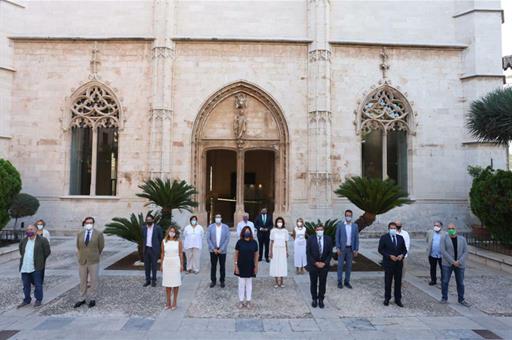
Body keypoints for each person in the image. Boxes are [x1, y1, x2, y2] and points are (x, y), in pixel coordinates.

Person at [17, 225, 51, 308]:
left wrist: (40, 260)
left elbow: (47, 252)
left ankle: (38, 299)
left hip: (36, 267)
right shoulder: (24, 240)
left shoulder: (42, 240)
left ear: (36, 230)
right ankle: (27, 300)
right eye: (28, 229)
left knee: (38, 284)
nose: (29, 231)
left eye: (31, 229)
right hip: (25, 267)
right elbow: (21, 251)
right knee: (25, 285)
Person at [74, 217, 104, 308]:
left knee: (93, 280)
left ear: (93, 223)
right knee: (83, 280)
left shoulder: (98, 234)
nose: (89, 224)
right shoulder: (80, 234)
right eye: (87, 222)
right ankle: (81, 298)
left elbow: (101, 247)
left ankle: (92, 298)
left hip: (93, 261)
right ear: (84, 223)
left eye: (91, 222)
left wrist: (94, 254)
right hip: (82, 260)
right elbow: (78, 246)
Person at [378, 222, 407, 307]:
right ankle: (387, 298)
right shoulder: (384, 238)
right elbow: (380, 250)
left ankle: (398, 299)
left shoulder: (400, 238)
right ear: (388, 229)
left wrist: (402, 255)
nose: (393, 230)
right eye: (391, 228)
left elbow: (404, 250)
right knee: (388, 281)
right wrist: (389, 256)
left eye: (394, 228)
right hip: (388, 263)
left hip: (398, 264)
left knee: (398, 282)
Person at [440, 223, 470, 306]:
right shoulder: (444, 238)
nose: (451, 230)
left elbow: (466, 251)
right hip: (447, 264)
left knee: (460, 282)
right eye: (449, 228)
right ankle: (444, 298)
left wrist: (459, 262)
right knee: (445, 281)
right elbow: (443, 251)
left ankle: (461, 299)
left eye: (452, 228)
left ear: (456, 229)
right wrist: (453, 261)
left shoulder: (462, 239)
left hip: (460, 265)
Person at [306, 224, 333, 309]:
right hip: (313, 265)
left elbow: (330, 253)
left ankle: (321, 299)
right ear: (315, 230)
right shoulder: (310, 239)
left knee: (322, 283)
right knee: (313, 283)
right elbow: (308, 253)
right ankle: (314, 299)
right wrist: (315, 263)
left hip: (324, 265)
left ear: (323, 230)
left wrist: (325, 263)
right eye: (318, 229)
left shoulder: (328, 239)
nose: (319, 231)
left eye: (321, 229)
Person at [234, 226, 259, 308]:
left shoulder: (254, 242)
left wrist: (256, 266)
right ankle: (241, 301)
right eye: (245, 231)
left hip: (250, 266)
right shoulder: (239, 242)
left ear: (250, 233)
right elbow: (236, 254)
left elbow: (256, 255)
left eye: (248, 231)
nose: (247, 233)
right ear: (243, 233)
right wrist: (236, 266)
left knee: (249, 284)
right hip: (241, 265)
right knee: (241, 284)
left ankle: (248, 301)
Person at [161, 226, 184, 310]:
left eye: (173, 231)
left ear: (175, 233)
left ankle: (174, 301)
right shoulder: (164, 241)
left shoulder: (178, 242)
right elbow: (162, 253)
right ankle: (168, 302)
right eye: (170, 231)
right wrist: (161, 264)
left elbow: (181, 253)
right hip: (167, 263)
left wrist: (181, 264)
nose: (172, 233)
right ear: (168, 232)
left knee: (175, 283)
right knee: (167, 284)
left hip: (175, 263)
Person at [335, 209, 359, 289]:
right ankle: (339, 281)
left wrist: (356, 249)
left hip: (350, 249)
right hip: (342, 249)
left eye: (349, 215)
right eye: (347, 215)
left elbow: (356, 238)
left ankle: (347, 281)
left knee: (349, 266)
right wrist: (337, 248)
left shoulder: (355, 226)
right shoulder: (340, 225)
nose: (348, 217)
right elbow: (337, 237)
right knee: (340, 266)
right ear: (345, 216)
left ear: (351, 216)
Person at [206, 214, 230, 288]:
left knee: (222, 266)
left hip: (222, 251)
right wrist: (214, 249)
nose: (218, 218)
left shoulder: (226, 227)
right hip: (213, 250)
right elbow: (208, 238)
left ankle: (222, 280)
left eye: (219, 217)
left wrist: (221, 249)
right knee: (213, 266)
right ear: (215, 218)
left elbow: (227, 239)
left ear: (221, 218)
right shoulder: (211, 227)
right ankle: (213, 281)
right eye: (216, 217)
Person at [141, 214, 163, 287]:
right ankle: (147, 280)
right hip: (146, 249)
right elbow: (143, 238)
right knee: (146, 266)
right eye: (147, 220)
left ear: (153, 220)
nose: (149, 221)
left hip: (154, 250)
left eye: (150, 219)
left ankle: (154, 280)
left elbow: (160, 239)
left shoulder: (158, 228)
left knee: (154, 266)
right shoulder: (144, 228)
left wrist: (159, 248)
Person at [269, 217, 288, 288]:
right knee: (275, 265)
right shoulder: (273, 231)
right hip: (275, 249)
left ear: (283, 223)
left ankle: (282, 282)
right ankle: (276, 282)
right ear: (276, 223)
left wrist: (287, 251)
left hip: (282, 250)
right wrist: (270, 251)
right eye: (278, 222)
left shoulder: (285, 231)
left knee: (282, 265)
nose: (279, 223)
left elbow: (286, 242)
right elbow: (271, 242)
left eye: (281, 222)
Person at [426, 221, 445, 285]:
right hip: (432, 254)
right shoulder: (430, 233)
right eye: (435, 225)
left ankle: (443, 280)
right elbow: (427, 240)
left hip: (441, 255)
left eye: (438, 226)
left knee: (443, 268)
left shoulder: (445, 234)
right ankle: (433, 280)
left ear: (441, 227)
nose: (436, 227)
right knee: (432, 268)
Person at [35, 219, 50, 283]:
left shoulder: (46, 232)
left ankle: (41, 279)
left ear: (43, 225)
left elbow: (48, 242)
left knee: (42, 266)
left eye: (41, 224)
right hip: (35, 252)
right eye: (38, 224)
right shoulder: (34, 232)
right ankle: (35, 279)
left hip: (42, 252)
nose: (39, 225)